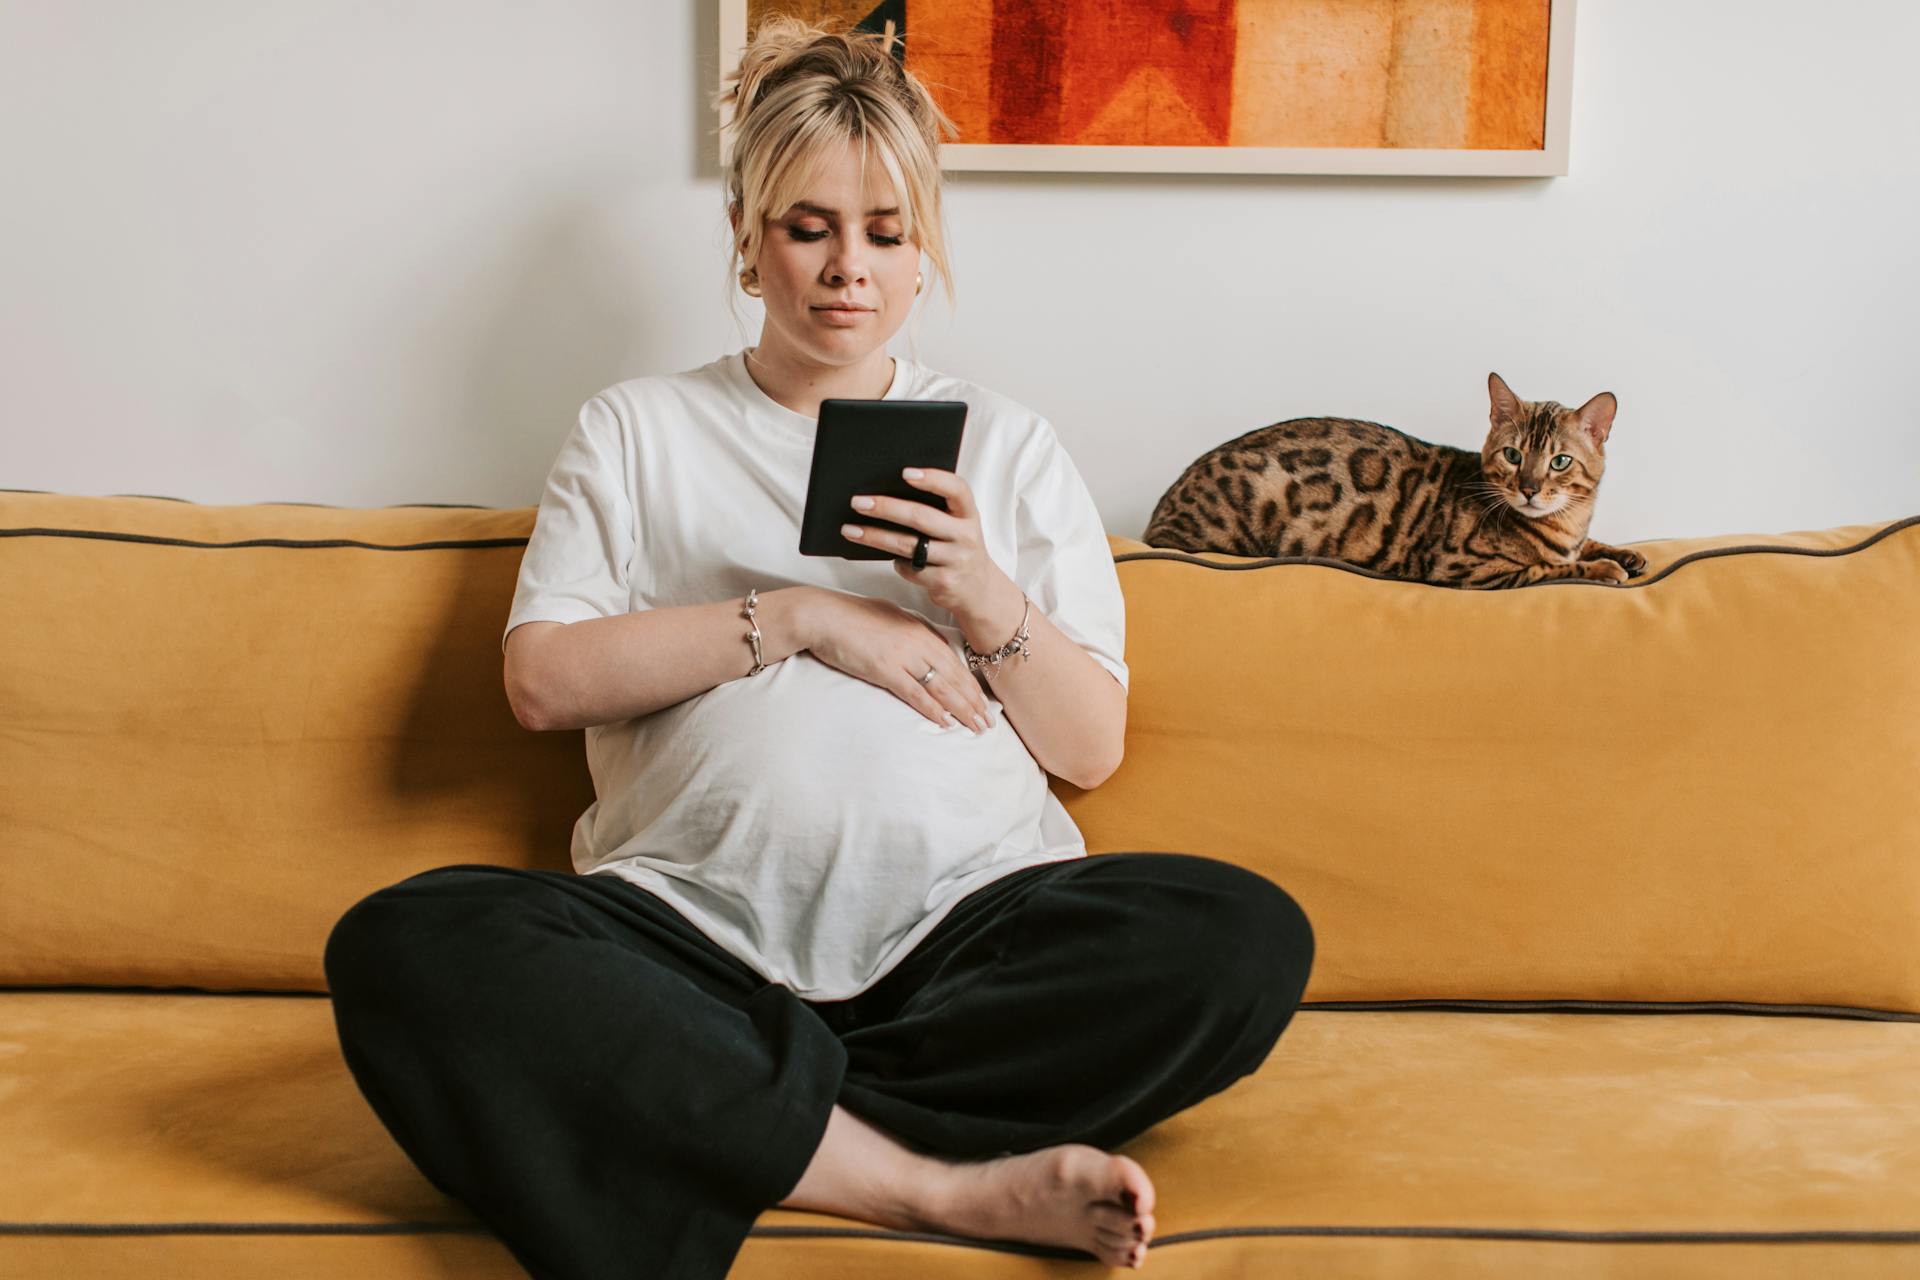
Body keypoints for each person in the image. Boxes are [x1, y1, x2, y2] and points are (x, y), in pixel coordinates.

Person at [322, 15, 1315, 1280]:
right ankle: (924, 1182)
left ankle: (724, 1117)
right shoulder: (639, 428)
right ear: (747, 241)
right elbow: (541, 680)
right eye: (809, 226)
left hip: (963, 941)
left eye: (887, 235)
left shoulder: (1004, 445)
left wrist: (980, 593)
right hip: (683, 945)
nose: (849, 268)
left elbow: (1091, 749)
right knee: (405, 943)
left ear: (922, 257)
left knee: (1242, 931)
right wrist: (798, 618)